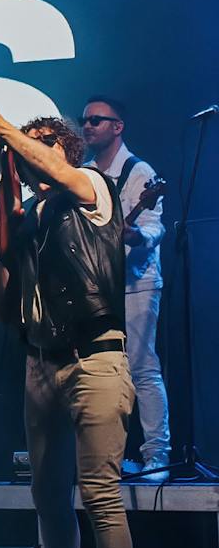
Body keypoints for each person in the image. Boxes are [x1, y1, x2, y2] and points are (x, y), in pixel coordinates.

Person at [0, 104, 137, 548]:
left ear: (65, 149)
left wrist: (5, 131)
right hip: (40, 364)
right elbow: (4, 311)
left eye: (44, 142)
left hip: (95, 358)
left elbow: (57, 169)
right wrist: (0, 245)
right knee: (47, 497)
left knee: (100, 496)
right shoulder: (26, 220)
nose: (31, 152)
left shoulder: (91, 187)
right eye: (28, 144)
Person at [81, 96, 171, 474]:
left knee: (141, 366)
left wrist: (136, 236)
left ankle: (157, 457)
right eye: (85, 120)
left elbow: (154, 227)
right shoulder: (85, 174)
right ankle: (107, 458)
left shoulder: (138, 171)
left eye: (96, 120)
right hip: (97, 285)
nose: (87, 126)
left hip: (137, 283)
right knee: (98, 371)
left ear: (117, 127)